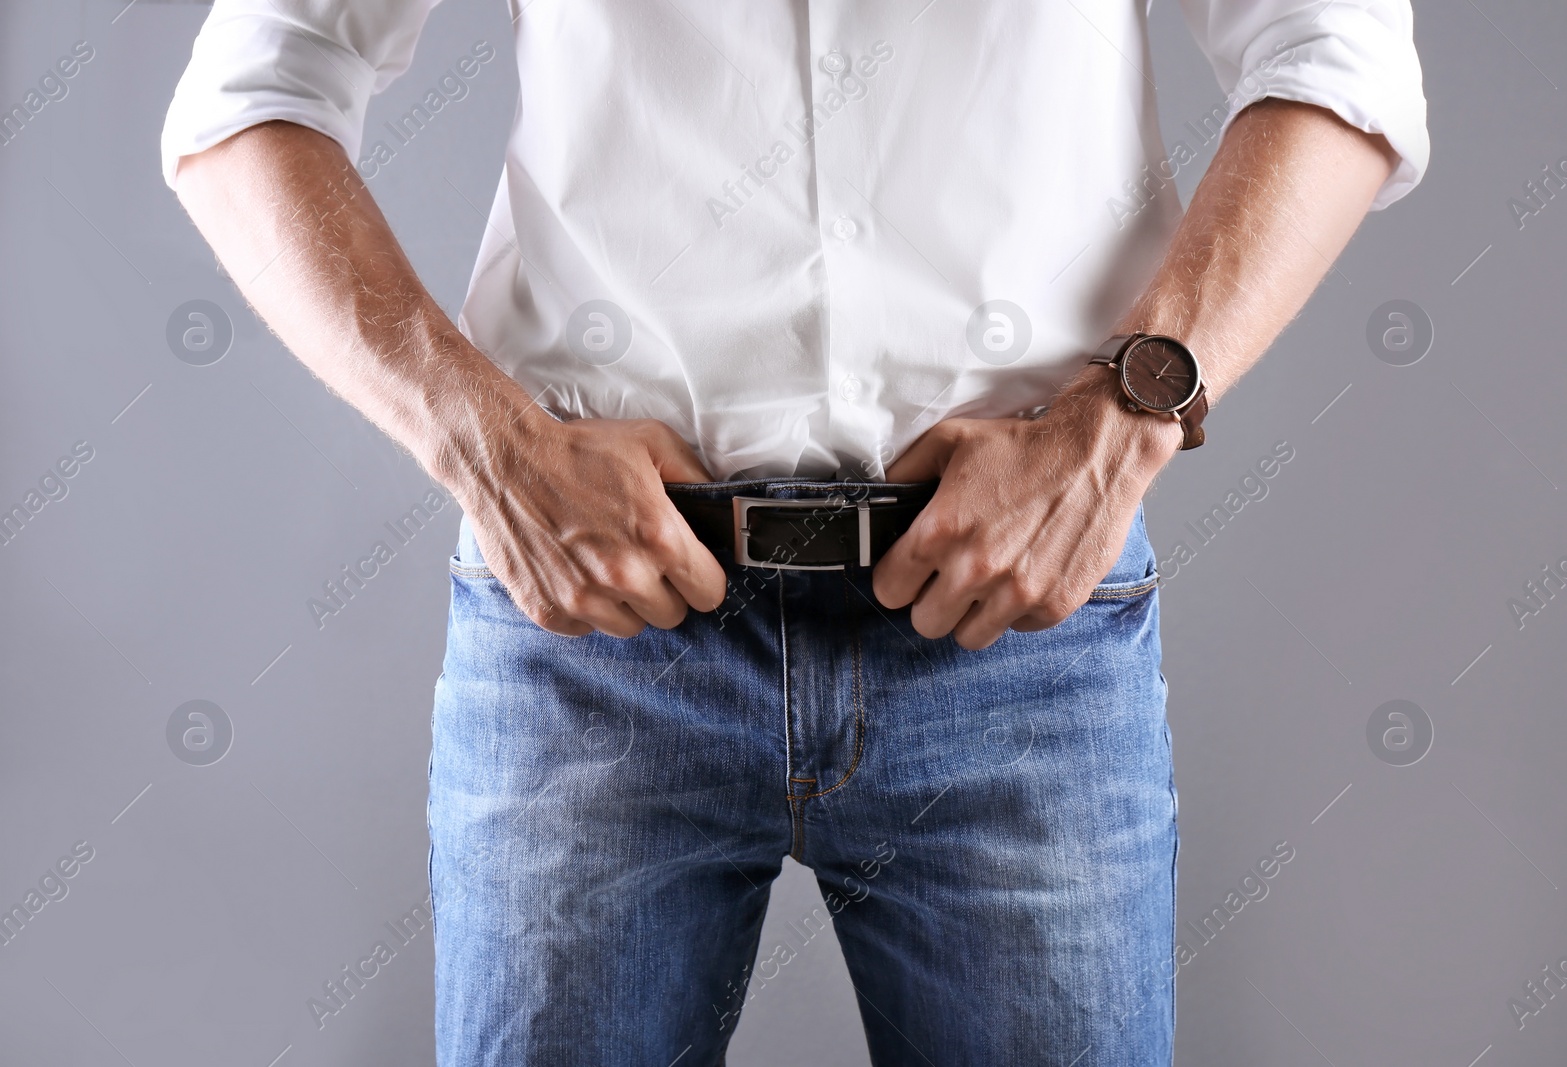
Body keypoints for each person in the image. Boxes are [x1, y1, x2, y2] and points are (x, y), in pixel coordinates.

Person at [161, 1, 1427, 1062]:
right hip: (597, 635)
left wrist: (1120, 418)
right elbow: (247, 98)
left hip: (1012, 626)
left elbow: (1338, 50)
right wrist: (481, 441)